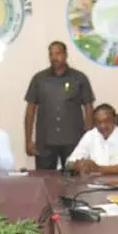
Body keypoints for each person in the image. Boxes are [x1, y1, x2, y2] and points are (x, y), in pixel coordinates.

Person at [24, 41, 95, 170]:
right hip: (45, 140)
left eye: (58, 54)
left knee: (73, 181)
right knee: (44, 180)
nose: (54, 57)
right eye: (51, 54)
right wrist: (28, 140)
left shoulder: (79, 78)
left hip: (72, 140)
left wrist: (88, 139)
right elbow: (30, 111)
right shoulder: (39, 78)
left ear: (65, 55)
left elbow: (89, 109)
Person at [67, 104, 118, 176]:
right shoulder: (90, 135)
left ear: (115, 120)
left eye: (106, 121)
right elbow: (69, 163)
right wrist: (76, 165)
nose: (102, 126)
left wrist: (97, 168)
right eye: (98, 122)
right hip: (96, 183)